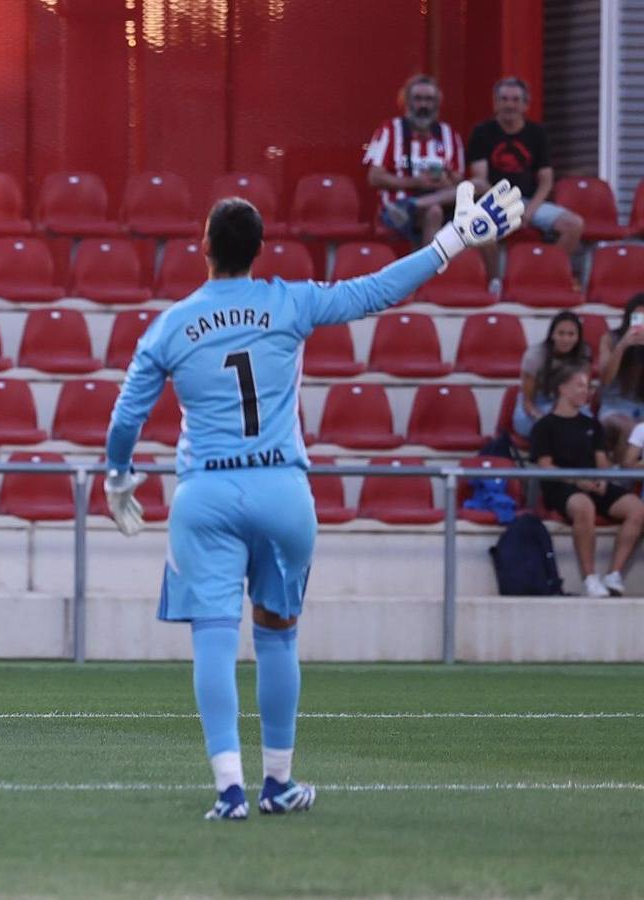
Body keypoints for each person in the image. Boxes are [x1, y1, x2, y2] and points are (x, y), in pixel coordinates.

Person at [103, 181, 524, 818]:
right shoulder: (291, 302)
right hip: (282, 490)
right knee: (277, 637)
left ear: (205, 248)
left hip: (206, 492)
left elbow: (126, 419)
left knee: (214, 640)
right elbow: (377, 290)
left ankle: (229, 789)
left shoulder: (170, 326)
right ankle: (279, 783)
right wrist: (452, 240)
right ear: (260, 251)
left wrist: (117, 476)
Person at [532, 364, 644, 598]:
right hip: (561, 486)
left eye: (588, 387)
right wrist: (577, 480)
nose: (586, 391)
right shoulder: (544, 425)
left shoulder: (592, 425)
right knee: (584, 505)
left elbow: (601, 461)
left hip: (593, 484)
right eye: (580, 386)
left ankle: (614, 574)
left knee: (637, 509)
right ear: (562, 388)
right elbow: (545, 465)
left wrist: (603, 478)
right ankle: (589, 578)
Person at [467, 77, 584, 270]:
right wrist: (507, 206)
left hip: (528, 202)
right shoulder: (482, 132)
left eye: (515, 100)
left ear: (525, 105)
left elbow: (546, 180)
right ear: (495, 104)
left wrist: (528, 213)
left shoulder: (537, 133)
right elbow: (481, 180)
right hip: (493, 201)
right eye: (504, 99)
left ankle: (545, 274)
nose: (509, 105)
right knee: (481, 230)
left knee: (574, 225)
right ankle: (495, 282)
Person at [364, 74, 467, 247]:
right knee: (434, 212)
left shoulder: (449, 135)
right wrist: (415, 182)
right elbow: (374, 177)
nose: (424, 105)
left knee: (472, 195)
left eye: (429, 99)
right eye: (418, 99)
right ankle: (427, 272)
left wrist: (443, 181)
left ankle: (493, 275)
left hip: (442, 201)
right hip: (397, 207)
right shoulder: (389, 130)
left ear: (437, 103)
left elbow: (458, 181)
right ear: (407, 102)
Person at [515, 312, 591, 441]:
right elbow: (528, 401)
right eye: (561, 333)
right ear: (552, 335)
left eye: (571, 334)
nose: (565, 339)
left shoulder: (584, 354)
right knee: (535, 427)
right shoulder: (535, 355)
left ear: (578, 337)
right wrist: (541, 417)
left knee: (587, 426)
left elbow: (582, 394)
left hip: (569, 402)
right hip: (537, 403)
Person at [596, 294, 644, 458]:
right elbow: (605, 379)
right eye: (638, 317)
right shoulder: (611, 339)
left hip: (641, 406)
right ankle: (619, 479)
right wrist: (623, 345)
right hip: (614, 406)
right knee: (631, 429)